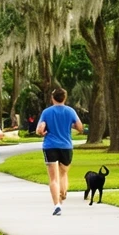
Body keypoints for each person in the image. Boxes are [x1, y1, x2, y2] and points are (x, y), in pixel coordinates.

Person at [36, 87, 84, 216]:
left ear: (52, 98)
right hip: (66, 146)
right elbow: (80, 128)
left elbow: (39, 130)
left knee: (53, 178)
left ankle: (57, 205)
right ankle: (62, 194)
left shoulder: (46, 112)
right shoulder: (70, 111)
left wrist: (42, 132)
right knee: (63, 173)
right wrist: (71, 125)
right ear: (65, 98)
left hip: (50, 146)